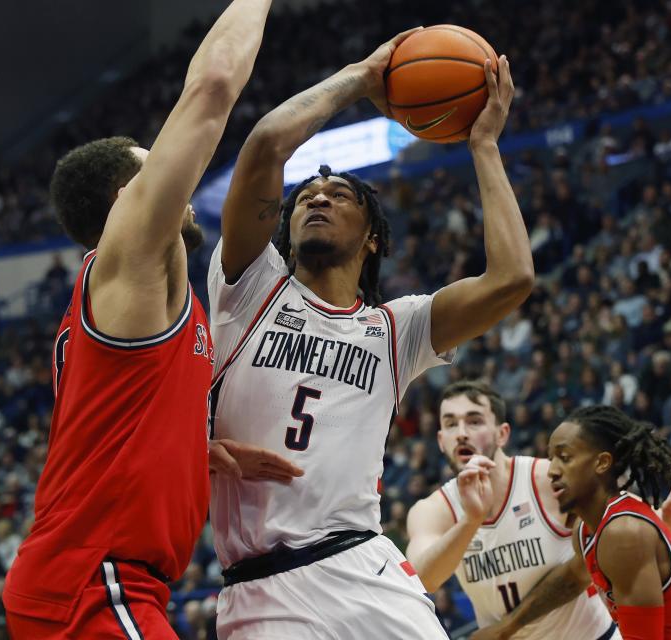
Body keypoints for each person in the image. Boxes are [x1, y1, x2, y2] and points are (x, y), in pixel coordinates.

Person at [207, 34, 533, 639]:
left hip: (365, 567)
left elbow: (512, 279)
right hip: (260, 587)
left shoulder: (395, 329)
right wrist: (361, 76)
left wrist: (483, 145)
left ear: (374, 238)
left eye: (338, 195)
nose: (318, 199)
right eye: (306, 197)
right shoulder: (250, 286)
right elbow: (265, 146)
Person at [1, 3, 303, 637]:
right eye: (153, 166)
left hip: (97, 580)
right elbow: (215, 85)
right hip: (94, 579)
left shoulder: (136, 297)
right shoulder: (131, 258)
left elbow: (114, 421)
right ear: (126, 200)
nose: (181, 185)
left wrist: (191, 449)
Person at [407, 381, 671, 639]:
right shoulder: (432, 510)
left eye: (474, 421)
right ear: (441, 441)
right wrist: (472, 520)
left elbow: (633, 542)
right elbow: (423, 581)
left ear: (503, 434)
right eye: (450, 424)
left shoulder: (548, 479)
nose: (461, 432)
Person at [545, 405, 671, 639]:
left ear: (602, 463)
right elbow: (569, 581)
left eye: (564, 457)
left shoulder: (622, 532)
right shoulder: (586, 531)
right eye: (550, 458)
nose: (551, 470)